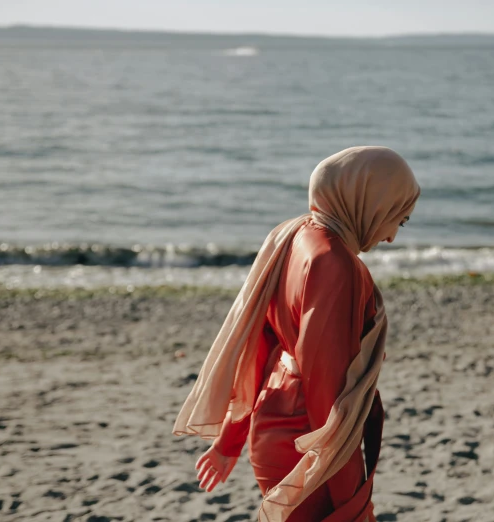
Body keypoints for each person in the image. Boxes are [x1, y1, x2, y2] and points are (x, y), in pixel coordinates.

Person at [173, 146, 421, 522]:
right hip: (308, 441)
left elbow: (262, 342)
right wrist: (351, 498)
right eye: (397, 220)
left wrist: (231, 438)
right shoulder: (334, 263)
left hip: (274, 426)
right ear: (369, 202)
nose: (390, 237)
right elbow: (328, 391)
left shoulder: (294, 234)